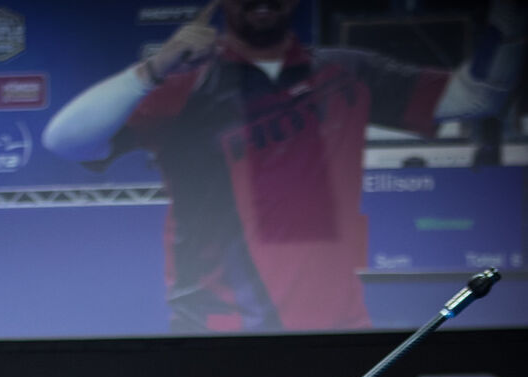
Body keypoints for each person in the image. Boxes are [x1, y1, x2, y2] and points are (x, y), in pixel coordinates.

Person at [42, 0, 525, 332]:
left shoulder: (348, 71)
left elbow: (475, 98)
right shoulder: (184, 88)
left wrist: (511, 22)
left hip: (339, 329)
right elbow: (65, 141)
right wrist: (155, 67)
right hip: (217, 329)